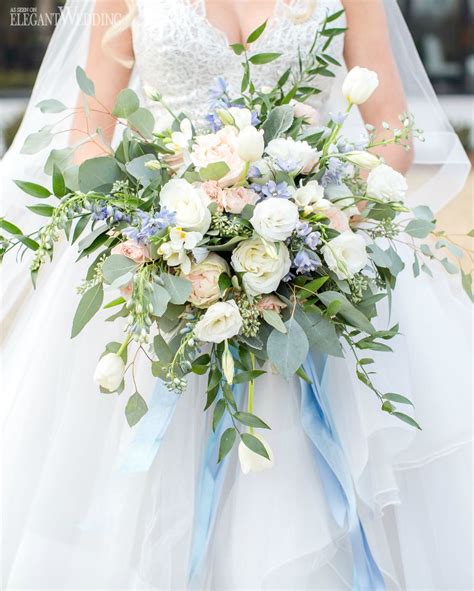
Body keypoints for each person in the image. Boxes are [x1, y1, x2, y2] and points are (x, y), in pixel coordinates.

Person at [1, 1, 471, 589]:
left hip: (317, 251)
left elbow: (391, 129)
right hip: (163, 256)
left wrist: (318, 213)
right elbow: (90, 131)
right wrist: (157, 220)